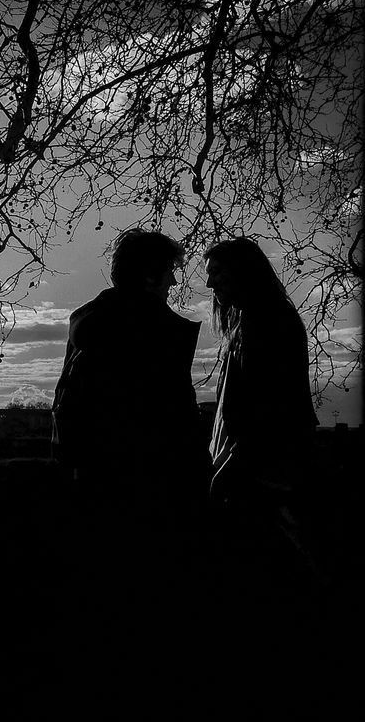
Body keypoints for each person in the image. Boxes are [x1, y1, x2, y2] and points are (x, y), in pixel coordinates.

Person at [203, 237, 321, 712]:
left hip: (262, 475)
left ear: (241, 273)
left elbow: (266, 412)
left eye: (217, 272)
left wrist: (229, 469)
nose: (209, 282)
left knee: (264, 584)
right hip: (259, 470)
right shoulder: (255, 321)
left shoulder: (265, 324)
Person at [52, 227, 207, 528]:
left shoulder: (86, 322)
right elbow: (174, 416)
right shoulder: (157, 331)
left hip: (90, 479)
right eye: (170, 272)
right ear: (150, 276)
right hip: (151, 486)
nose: (174, 282)